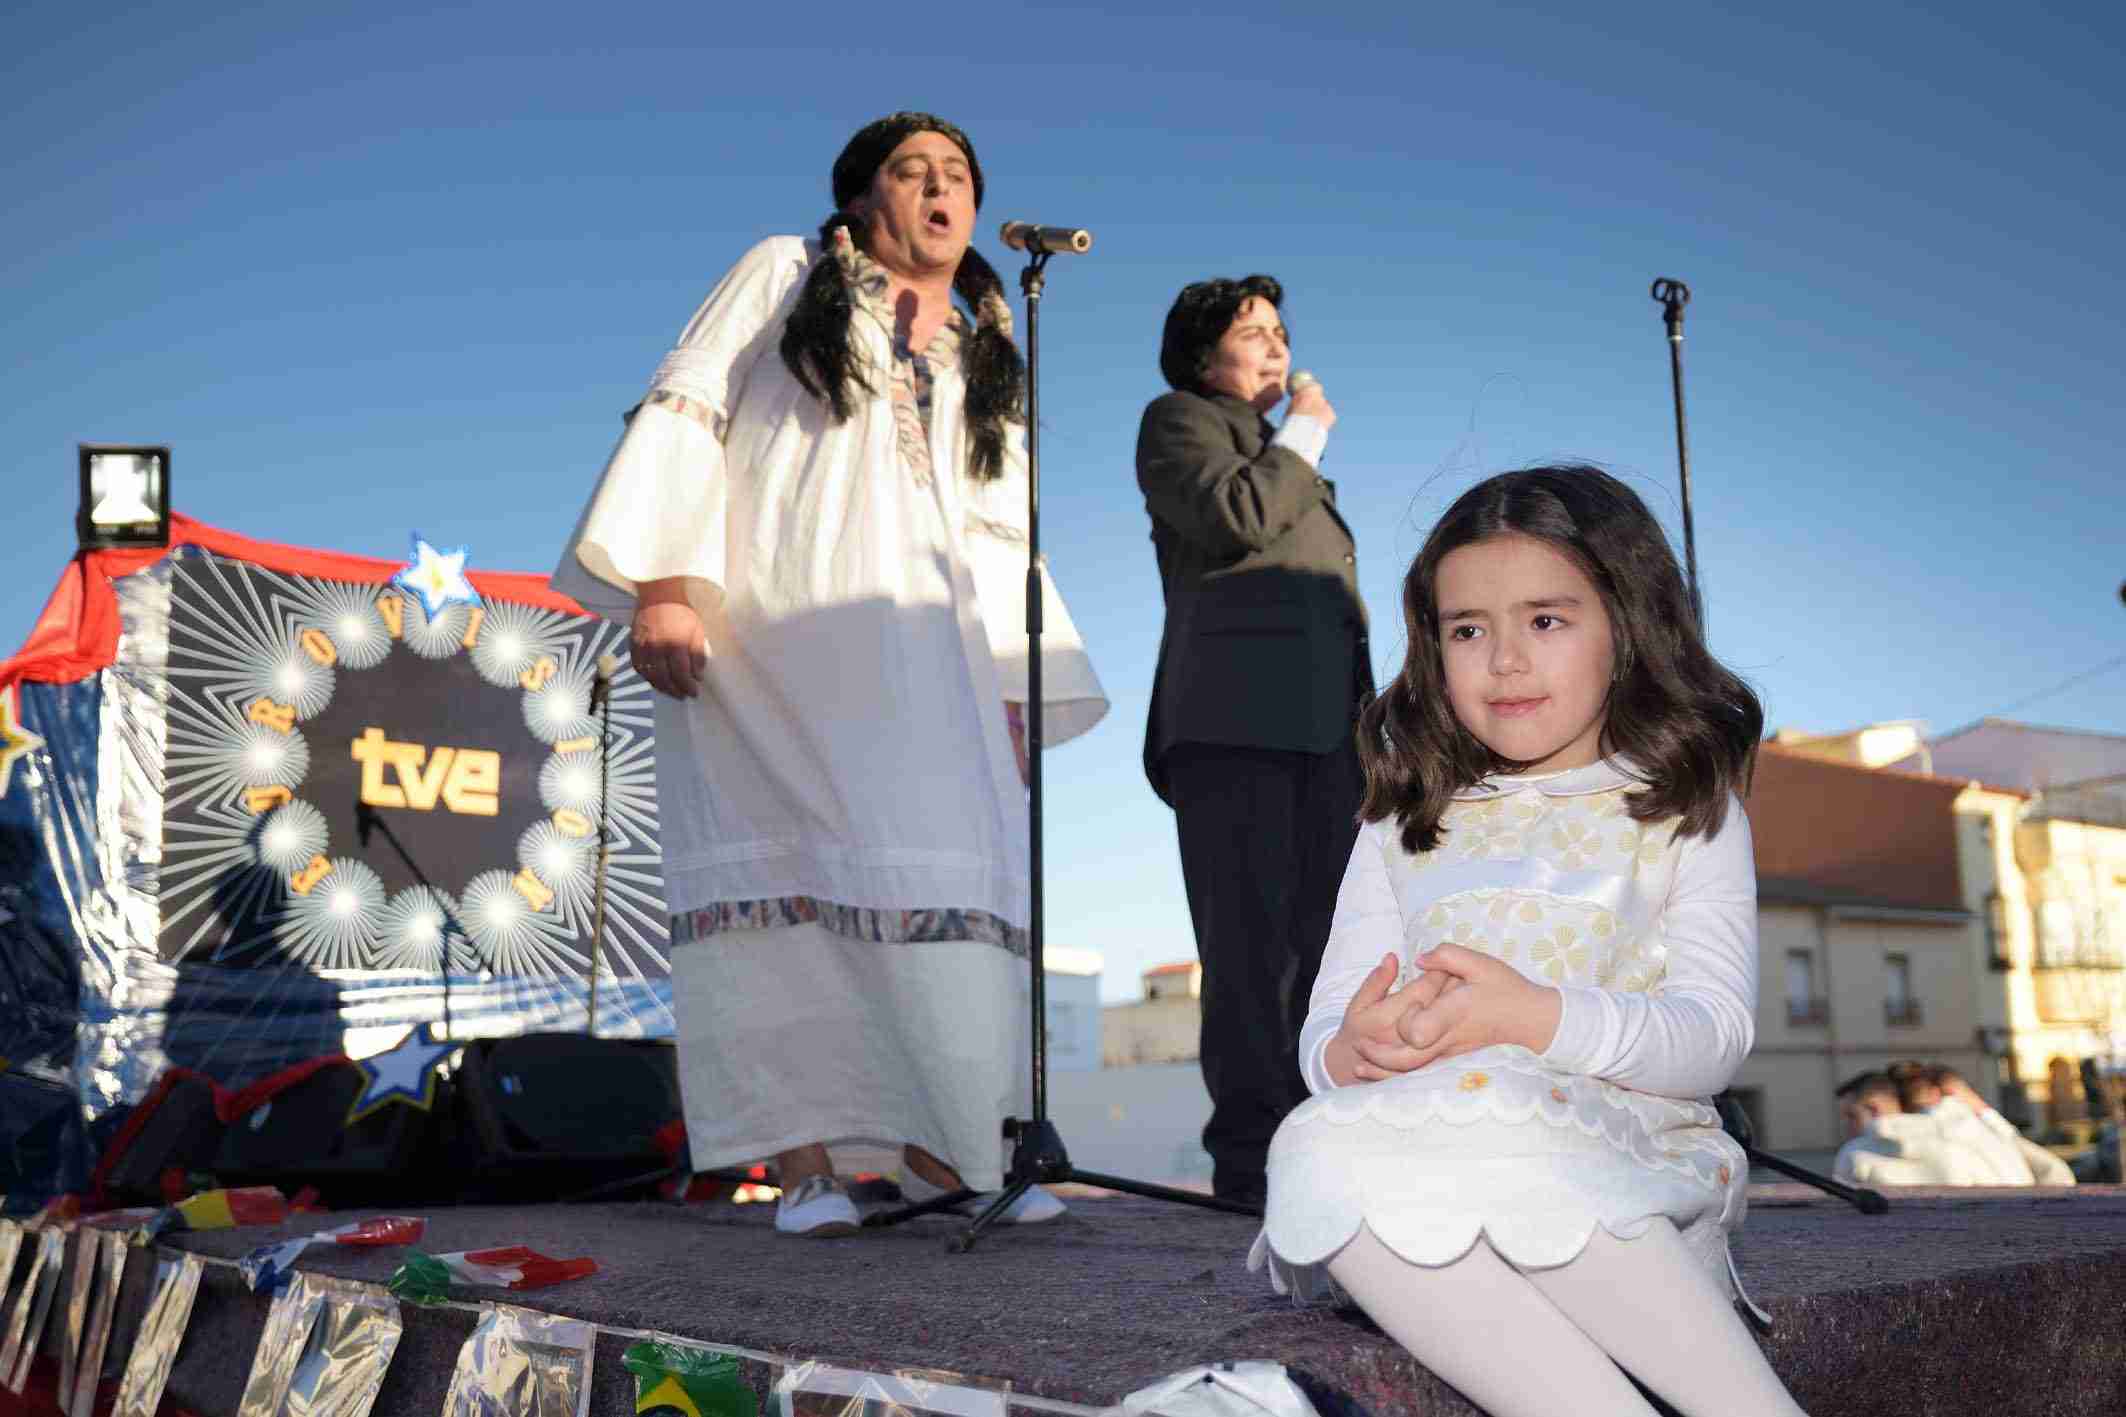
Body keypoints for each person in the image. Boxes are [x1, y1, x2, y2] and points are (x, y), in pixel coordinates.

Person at [552, 113, 1108, 1237]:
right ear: (861, 199)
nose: (941, 191)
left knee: (946, 871)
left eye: (957, 174)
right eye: (914, 171)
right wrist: (663, 584)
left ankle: (941, 1152)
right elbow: (690, 402)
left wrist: (1012, 678)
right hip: (775, 630)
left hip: (932, 650)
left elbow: (1000, 523)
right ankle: (804, 1170)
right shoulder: (785, 272)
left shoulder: (989, 334)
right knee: (790, 870)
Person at [1250, 467, 1810, 1417]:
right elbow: (1328, 1033)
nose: (1503, 660)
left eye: (1545, 621)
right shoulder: (1401, 821)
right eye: (1468, 629)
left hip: (1621, 1167)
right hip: (1428, 1163)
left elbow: (1713, 1035)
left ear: (1628, 626)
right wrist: (1356, 1050)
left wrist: (1534, 1019)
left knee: (1504, 1102)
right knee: (1307, 1148)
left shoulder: (1686, 808)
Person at [1134, 275, 1371, 1204]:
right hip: (1234, 726)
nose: (1276, 347)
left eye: (1281, 331)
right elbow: (1235, 517)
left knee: (1330, 948)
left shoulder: (1280, 455)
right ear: (1202, 354)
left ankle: (1328, 1146)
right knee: (1250, 950)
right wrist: (1305, 430)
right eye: (1252, 334)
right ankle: (1251, 1164)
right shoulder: (1181, 421)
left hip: (1329, 735)